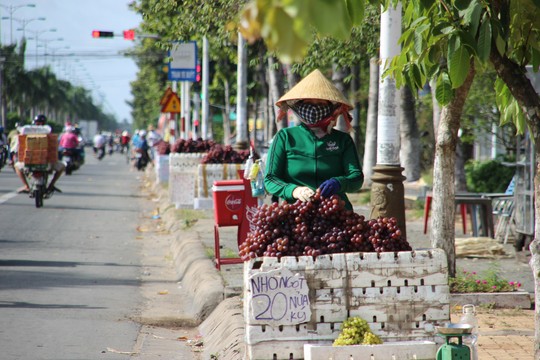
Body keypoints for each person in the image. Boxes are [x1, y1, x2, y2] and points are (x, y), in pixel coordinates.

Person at [264, 69, 363, 210]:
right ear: (300, 106)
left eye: (320, 104)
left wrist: (339, 182)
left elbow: (356, 178)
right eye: (309, 103)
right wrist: (293, 190)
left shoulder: (343, 140)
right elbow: (270, 179)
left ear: (330, 108)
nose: (314, 108)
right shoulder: (285, 137)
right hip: (297, 215)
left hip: (337, 214)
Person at [14, 114, 65, 195]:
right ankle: (51, 185)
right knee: (62, 166)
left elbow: (18, 147)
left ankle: (26, 186)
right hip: (47, 162)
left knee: (17, 166)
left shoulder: (27, 132)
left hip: (29, 162)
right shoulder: (48, 132)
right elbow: (55, 148)